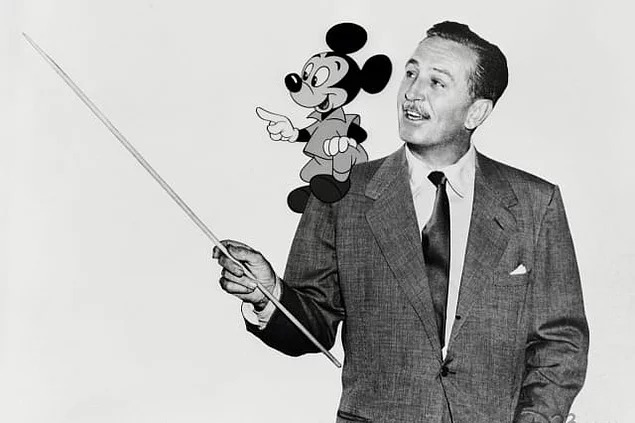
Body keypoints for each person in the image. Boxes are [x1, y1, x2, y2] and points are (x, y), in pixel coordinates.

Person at [213, 21, 589, 423]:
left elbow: (561, 340)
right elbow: (312, 324)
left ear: (477, 110)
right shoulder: (340, 193)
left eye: (436, 82)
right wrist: (267, 293)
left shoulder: (536, 203)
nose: (412, 92)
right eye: (410, 73)